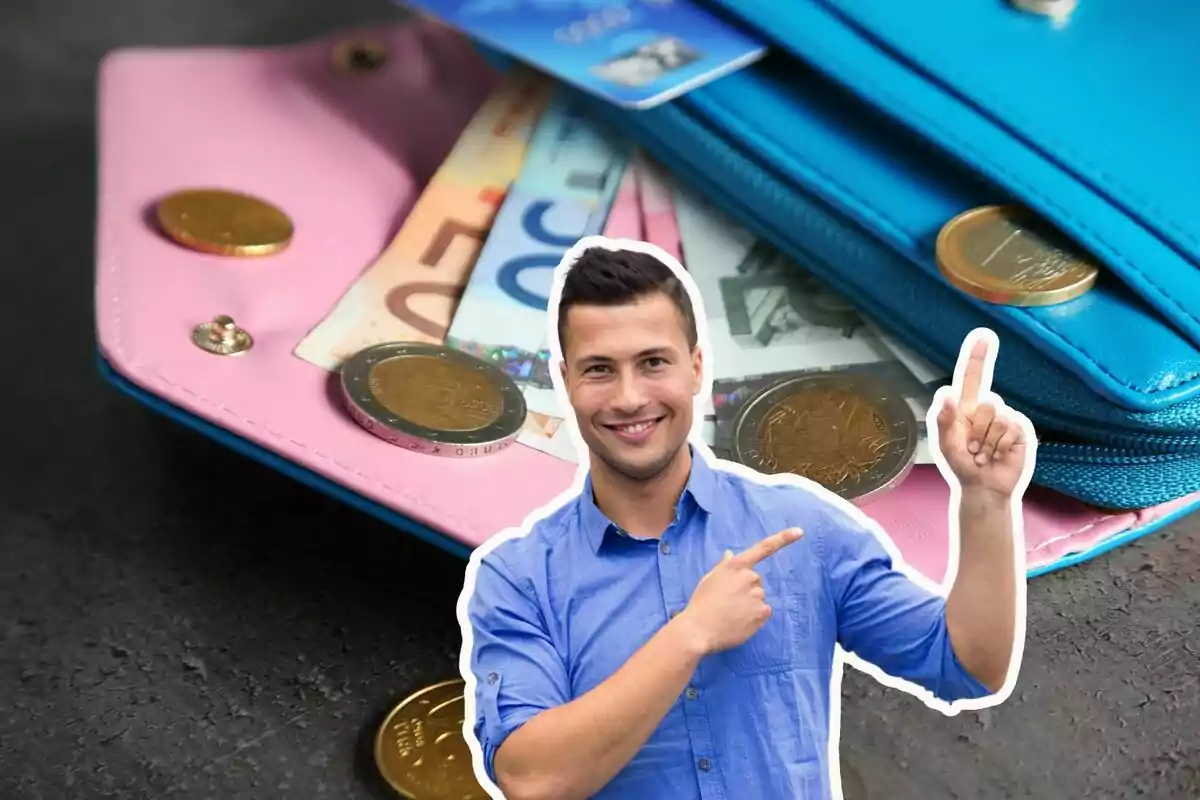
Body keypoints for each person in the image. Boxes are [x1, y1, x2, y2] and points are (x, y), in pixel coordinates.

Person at [459, 243, 1033, 800]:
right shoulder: (517, 578)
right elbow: (531, 779)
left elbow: (966, 665)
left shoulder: (802, 531)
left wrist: (984, 500)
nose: (630, 397)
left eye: (653, 362)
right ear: (566, 382)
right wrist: (689, 635)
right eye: (600, 370)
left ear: (697, 367)